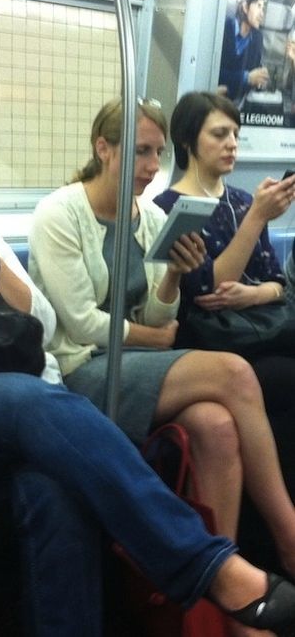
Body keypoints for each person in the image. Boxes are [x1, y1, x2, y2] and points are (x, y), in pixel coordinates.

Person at [0, 113, 295, 637]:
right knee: (30, 399)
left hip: (14, 408)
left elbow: (42, 323)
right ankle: (209, 566)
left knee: (56, 484)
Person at [27, 97, 295, 601]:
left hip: (136, 363)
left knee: (217, 426)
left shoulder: (147, 215)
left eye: (156, 153)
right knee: (236, 374)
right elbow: (84, 325)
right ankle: (288, 533)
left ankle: (217, 591)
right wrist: (156, 337)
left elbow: (157, 314)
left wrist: (172, 274)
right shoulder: (58, 213)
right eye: (141, 153)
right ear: (103, 149)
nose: (152, 167)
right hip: (82, 371)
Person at [155, 89, 295, 573]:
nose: (233, 144)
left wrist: (253, 294)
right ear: (189, 142)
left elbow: (275, 282)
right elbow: (203, 289)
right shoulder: (170, 206)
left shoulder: (239, 197)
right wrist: (257, 219)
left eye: (236, 134)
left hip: (260, 324)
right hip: (214, 344)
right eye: (220, 134)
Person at [219, 0, 269, 103]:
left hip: (239, 102)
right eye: (258, 6)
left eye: (263, 8)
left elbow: (253, 71)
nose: (262, 14)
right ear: (245, 7)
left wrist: (260, 79)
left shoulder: (257, 37)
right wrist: (246, 78)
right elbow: (214, 73)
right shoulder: (223, 29)